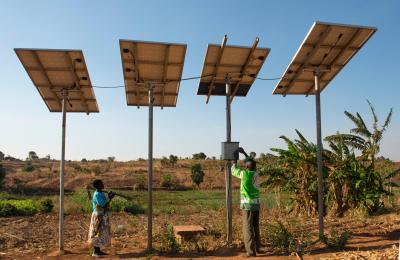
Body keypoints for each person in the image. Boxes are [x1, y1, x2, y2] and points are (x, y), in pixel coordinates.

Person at [232, 147, 261, 257]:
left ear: (247, 166)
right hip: (256, 204)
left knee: (247, 228)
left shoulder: (244, 174)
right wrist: (244, 153)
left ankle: (250, 252)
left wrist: (235, 159)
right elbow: (251, 163)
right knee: (255, 227)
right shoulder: (256, 173)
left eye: (245, 164)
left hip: (247, 205)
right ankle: (258, 248)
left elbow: (233, 169)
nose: (244, 165)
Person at [88, 179, 115, 257]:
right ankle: (95, 252)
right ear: (96, 186)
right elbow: (103, 205)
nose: (103, 185)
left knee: (100, 233)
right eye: (101, 184)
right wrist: (110, 198)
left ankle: (98, 251)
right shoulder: (97, 194)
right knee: (97, 232)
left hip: (101, 214)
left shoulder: (101, 193)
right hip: (98, 216)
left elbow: (106, 204)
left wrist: (109, 198)